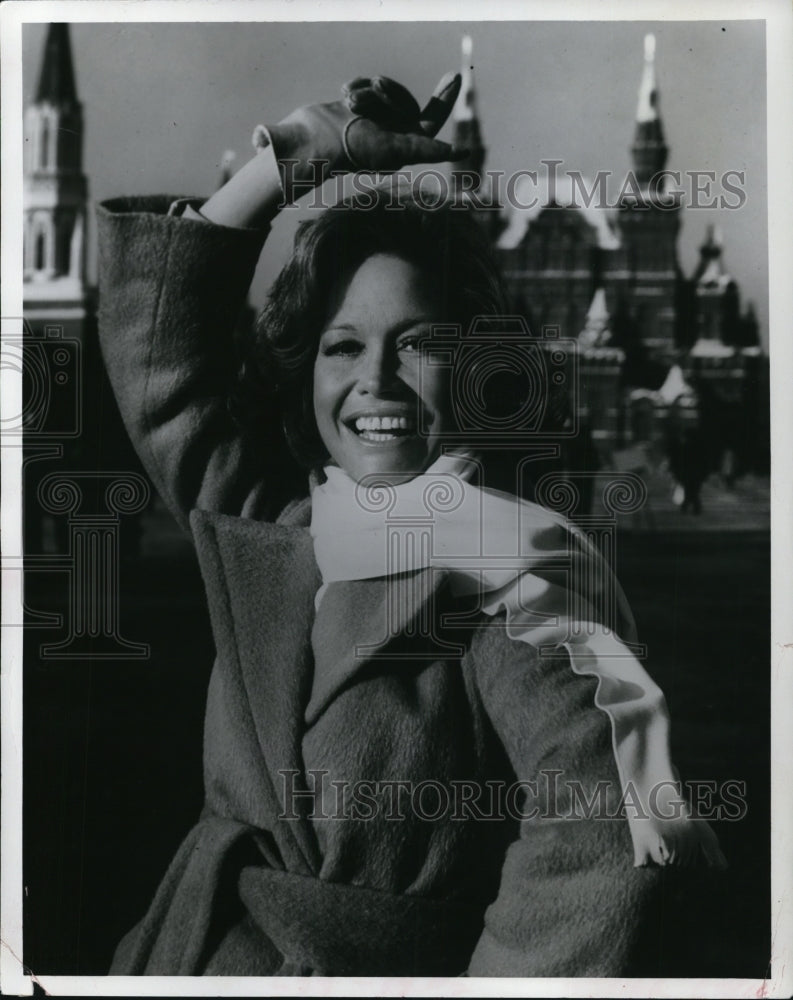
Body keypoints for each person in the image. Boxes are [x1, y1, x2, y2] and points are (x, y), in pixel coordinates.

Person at [97, 71, 724, 978]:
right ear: (302, 371)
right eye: (342, 345)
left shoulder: (513, 567)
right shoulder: (276, 523)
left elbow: (600, 832)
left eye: (420, 345)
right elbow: (162, 364)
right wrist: (286, 164)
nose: (375, 382)